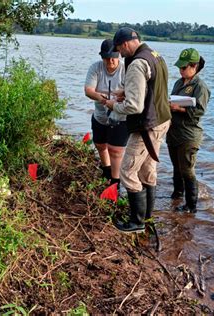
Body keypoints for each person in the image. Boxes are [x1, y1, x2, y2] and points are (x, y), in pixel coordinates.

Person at [105, 27, 171, 233]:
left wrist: (113, 105)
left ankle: (136, 222)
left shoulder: (137, 64)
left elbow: (135, 106)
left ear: (125, 44)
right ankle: (148, 217)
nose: (119, 54)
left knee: (127, 171)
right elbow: (152, 88)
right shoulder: (156, 56)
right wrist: (124, 91)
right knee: (147, 169)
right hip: (162, 120)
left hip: (146, 126)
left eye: (118, 49)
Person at [167, 48, 211, 213]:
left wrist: (178, 108)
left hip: (189, 135)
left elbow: (199, 111)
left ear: (194, 66)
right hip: (174, 132)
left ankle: (191, 206)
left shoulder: (200, 87)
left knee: (187, 169)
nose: (181, 70)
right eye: (180, 67)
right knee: (176, 167)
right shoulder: (179, 83)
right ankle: (177, 195)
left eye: (184, 67)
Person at [84, 39, 128, 186]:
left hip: (120, 117)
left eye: (113, 57)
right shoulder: (95, 68)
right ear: (102, 57)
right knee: (100, 145)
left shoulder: (126, 70)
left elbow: (135, 93)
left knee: (115, 151)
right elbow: (88, 90)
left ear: (119, 55)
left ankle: (115, 183)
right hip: (100, 115)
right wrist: (101, 98)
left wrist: (121, 98)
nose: (110, 61)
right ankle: (106, 172)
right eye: (106, 57)